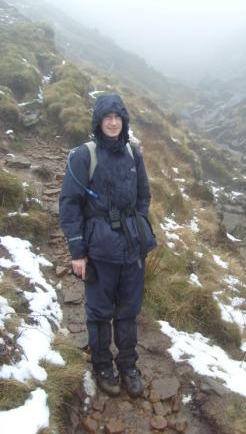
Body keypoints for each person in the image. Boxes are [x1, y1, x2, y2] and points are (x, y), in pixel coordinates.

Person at [59, 93, 156, 398]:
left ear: (124, 120)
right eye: (107, 117)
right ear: (98, 121)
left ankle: (127, 364)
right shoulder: (84, 156)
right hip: (99, 248)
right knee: (100, 311)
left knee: (129, 309)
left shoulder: (132, 152)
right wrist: (77, 251)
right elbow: (69, 204)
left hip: (131, 247)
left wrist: (137, 223)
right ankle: (103, 365)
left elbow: (144, 195)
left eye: (118, 117)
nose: (113, 123)